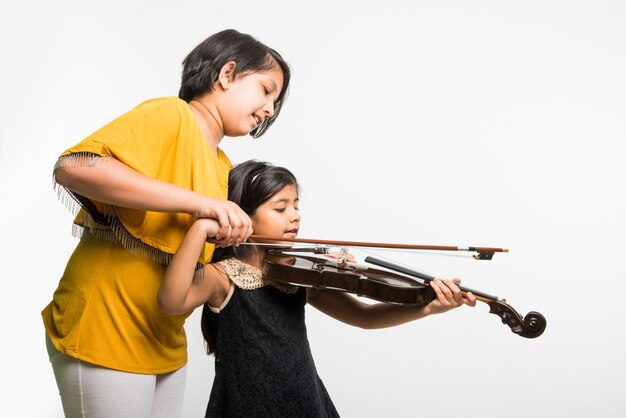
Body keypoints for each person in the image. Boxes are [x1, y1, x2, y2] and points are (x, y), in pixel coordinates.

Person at [42, 29, 291, 417]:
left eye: (275, 102)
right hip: (106, 326)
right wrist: (199, 204)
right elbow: (72, 167)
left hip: (165, 342)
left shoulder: (222, 166)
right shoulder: (171, 115)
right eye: (265, 90)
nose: (270, 110)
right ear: (227, 74)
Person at [157, 160, 477, 417]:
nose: (295, 216)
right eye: (280, 208)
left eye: (296, 205)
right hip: (247, 404)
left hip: (305, 399)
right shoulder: (223, 277)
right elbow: (171, 301)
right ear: (243, 214)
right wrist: (200, 229)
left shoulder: (298, 274)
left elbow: (363, 316)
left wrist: (427, 307)